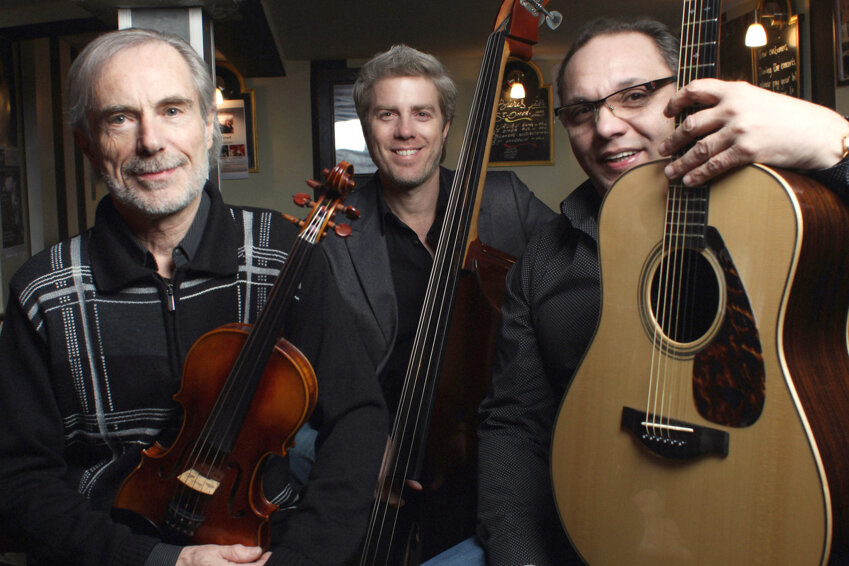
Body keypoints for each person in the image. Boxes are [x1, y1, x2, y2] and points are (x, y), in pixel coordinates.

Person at [0, 28, 387, 566]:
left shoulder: (285, 254)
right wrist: (159, 561)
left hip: (268, 541)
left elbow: (358, 419)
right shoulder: (42, 290)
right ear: (87, 144)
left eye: (173, 110)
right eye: (119, 117)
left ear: (209, 125)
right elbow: (20, 479)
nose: (151, 141)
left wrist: (305, 558)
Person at [475, 17, 849, 566]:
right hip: (596, 528)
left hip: (781, 518)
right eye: (581, 110)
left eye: (634, 95)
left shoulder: (791, 208)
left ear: (689, 90)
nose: (605, 127)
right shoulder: (543, 258)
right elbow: (514, 422)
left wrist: (836, 144)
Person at [318, 44, 555, 561]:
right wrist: (360, 441)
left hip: (501, 451)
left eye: (422, 113)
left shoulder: (505, 200)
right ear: (367, 129)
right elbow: (308, 360)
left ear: (446, 128)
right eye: (388, 114)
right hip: (390, 461)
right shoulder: (334, 227)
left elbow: (581, 271)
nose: (406, 131)